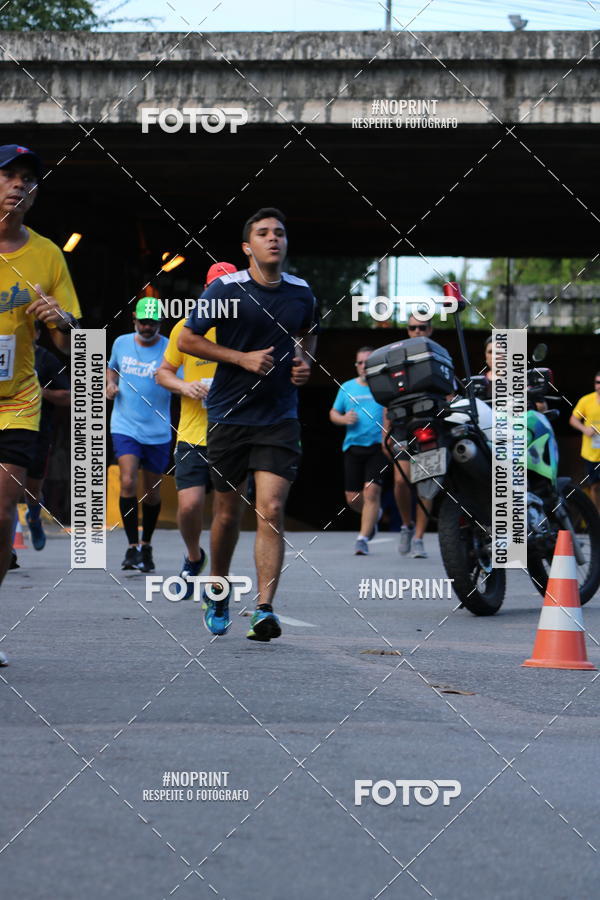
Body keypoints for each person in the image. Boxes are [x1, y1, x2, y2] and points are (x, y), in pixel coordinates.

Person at [179, 207, 318, 641]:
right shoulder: (227, 289)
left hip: (279, 416)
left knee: (271, 509)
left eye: (279, 232)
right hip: (229, 415)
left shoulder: (301, 292)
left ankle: (264, 608)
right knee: (226, 513)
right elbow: (187, 338)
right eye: (263, 233)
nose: (273, 238)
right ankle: (217, 587)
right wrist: (241, 359)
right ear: (247, 247)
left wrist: (304, 363)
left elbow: (309, 333)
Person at [0, 144, 81, 665]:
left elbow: (73, 345)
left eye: (26, 179)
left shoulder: (48, 255)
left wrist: (61, 320)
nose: (17, 185)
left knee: (1, 505)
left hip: (17, 399)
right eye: (7, 176)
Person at [156, 262, 236, 597]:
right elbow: (163, 373)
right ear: (206, 292)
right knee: (188, 507)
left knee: (222, 510)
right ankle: (194, 556)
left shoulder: (245, 329)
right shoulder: (184, 329)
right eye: (215, 289)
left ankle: (217, 577)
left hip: (232, 433)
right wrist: (184, 386)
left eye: (229, 289)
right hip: (192, 433)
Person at [107, 297, 170, 572]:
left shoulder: (170, 347)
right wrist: (110, 384)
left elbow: (179, 378)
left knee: (152, 492)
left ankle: (147, 544)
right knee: (128, 481)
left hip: (157, 429)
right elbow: (112, 369)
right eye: (142, 322)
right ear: (134, 319)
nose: (147, 327)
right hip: (125, 425)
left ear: (160, 322)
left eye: (152, 323)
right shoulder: (121, 342)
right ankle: (132, 547)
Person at [383, 314, 434, 559]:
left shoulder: (438, 355)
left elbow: (449, 391)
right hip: (402, 424)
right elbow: (387, 395)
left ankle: (419, 538)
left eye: (422, 327)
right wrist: (386, 430)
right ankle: (406, 525)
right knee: (402, 480)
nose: (417, 331)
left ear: (430, 330)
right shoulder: (396, 357)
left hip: (430, 425)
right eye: (412, 327)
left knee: (426, 481)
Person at [329, 346, 386, 555]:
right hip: (353, 447)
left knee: (371, 490)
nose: (363, 366)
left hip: (377, 448)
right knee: (352, 498)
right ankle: (374, 516)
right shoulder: (347, 387)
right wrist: (343, 419)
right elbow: (333, 413)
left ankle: (362, 538)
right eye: (360, 363)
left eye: (367, 362)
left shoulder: (383, 385)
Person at [25, 321, 71, 551]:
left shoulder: (47, 360)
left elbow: (69, 396)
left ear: (37, 333)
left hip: (37, 432)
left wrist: (40, 391)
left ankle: (34, 518)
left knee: (31, 489)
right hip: (6, 428)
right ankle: (9, 549)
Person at [570, 373, 600, 513]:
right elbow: (573, 419)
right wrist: (584, 428)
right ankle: (597, 518)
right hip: (591, 453)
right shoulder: (586, 400)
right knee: (595, 486)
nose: (599, 386)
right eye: (597, 382)